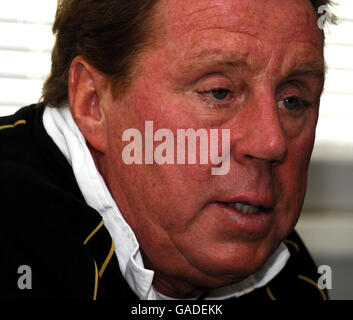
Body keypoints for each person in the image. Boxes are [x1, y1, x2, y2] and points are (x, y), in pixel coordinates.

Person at [0, 0, 333, 300]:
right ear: (93, 103)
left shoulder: (289, 272)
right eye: (218, 92)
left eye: (292, 100)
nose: (270, 143)